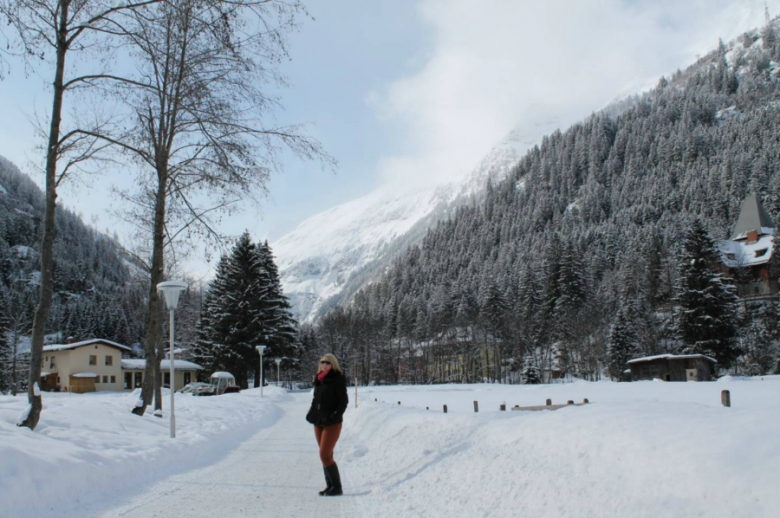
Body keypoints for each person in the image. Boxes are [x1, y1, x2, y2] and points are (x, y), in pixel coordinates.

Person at [306, 353, 348, 496]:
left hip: (332, 423)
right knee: (326, 454)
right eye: (323, 362)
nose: (324, 365)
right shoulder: (318, 379)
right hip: (318, 421)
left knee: (324, 455)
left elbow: (343, 402)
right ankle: (330, 485)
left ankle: (337, 487)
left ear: (333, 364)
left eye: (328, 363)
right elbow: (315, 399)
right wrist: (311, 412)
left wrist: (335, 415)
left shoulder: (338, 379)